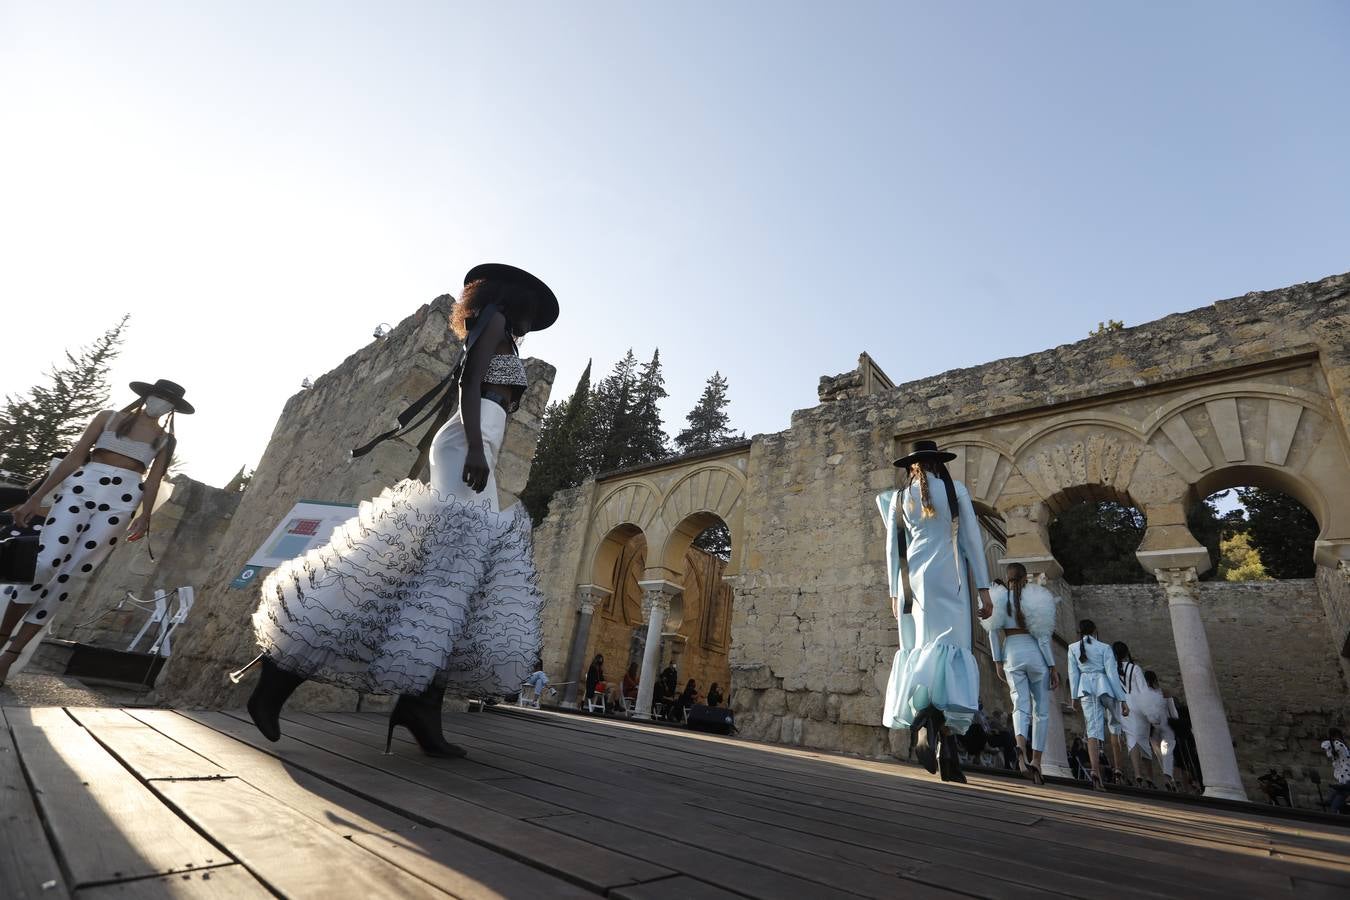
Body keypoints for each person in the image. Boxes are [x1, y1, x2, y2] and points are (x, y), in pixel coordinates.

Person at [243, 264, 559, 757]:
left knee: (452, 580)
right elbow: (471, 383)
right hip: (467, 444)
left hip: (484, 446)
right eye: (532, 310)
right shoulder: (493, 321)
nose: (533, 320)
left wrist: (484, 448)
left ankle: (419, 706)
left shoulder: (505, 337)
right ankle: (280, 675)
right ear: (511, 299)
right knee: (435, 571)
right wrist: (475, 446)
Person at [2, 380, 189, 685]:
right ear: (147, 395)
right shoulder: (108, 417)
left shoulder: (165, 440)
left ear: (173, 409)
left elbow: (153, 479)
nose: (162, 403)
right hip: (84, 484)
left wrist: (145, 519)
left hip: (124, 498)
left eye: (169, 401)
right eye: (160, 396)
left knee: (69, 574)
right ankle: (2, 636)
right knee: (45, 562)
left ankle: (11, 655)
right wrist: (35, 498)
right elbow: (75, 457)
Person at [879, 440, 993, 783]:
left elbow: (892, 550)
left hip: (912, 586)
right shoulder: (955, 491)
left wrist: (894, 594)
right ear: (938, 463)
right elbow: (971, 539)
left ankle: (927, 723)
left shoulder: (899, 499)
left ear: (913, 467)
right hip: (950, 581)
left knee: (920, 653)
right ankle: (947, 747)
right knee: (949, 659)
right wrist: (984, 588)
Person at [984, 562, 1059, 784]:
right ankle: (1036, 760)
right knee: (1041, 710)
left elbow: (992, 633)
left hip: (1011, 654)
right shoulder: (1036, 598)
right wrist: (1052, 666)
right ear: (1026, 578)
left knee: (1020, 705)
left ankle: (1020, 749)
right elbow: (1044, 638)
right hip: (1035, 654)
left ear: (1007, 579)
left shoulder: (998, 599)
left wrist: (997, 660)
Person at [1068, 619, 1129, 789]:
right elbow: (1112, 674)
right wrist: (1122, 699)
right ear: (1095, 630)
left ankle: (1095, 770)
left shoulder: (1072, 648)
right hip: (1105, 687)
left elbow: (1073, 674)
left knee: (1092, 730)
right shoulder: (1104, 648)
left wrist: (1074, 697)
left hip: (1086, 688)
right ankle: (1118, 769)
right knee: (1115, 725)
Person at [1113, 642, 1159, 788]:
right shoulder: (1135, 668)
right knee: (1144, 740)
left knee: (1131, 739)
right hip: (1138, 704)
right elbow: (1144, 690)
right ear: (1126, 653)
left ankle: (1138, 774)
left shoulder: (1112, 669)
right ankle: (1150, 777)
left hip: (1122, 706)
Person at [1322, 727, 1350, 814]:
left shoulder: (1333, 745)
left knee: (1341, 792)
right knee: (1342, 792)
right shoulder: (1339, 745)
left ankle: (1331, 799)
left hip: (1344, 775)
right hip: (1346, 774)